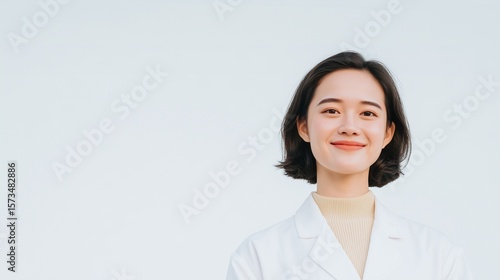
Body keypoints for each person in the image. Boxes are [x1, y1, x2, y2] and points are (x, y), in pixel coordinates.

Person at [225, 51, 474, 280]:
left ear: (387, 133)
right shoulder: (257, 257)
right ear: (303, 127)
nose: (349, 127)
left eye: (368, 113)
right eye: (332, 110)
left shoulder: (439, 256)